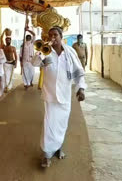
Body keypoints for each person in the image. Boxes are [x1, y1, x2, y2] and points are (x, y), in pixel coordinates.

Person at [32, 27, 86, 168]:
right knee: (49, 124)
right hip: (50, 94)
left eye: (55, 35)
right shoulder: (45, 51)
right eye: (50, 35)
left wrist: (81, 88)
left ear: (61, 36)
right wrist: (40, 52)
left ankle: (58, 147)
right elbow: (34, 63)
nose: (52, 37)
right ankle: (46, 154)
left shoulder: (70, 52)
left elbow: (78, 71)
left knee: (61, 125)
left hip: (65, 95)